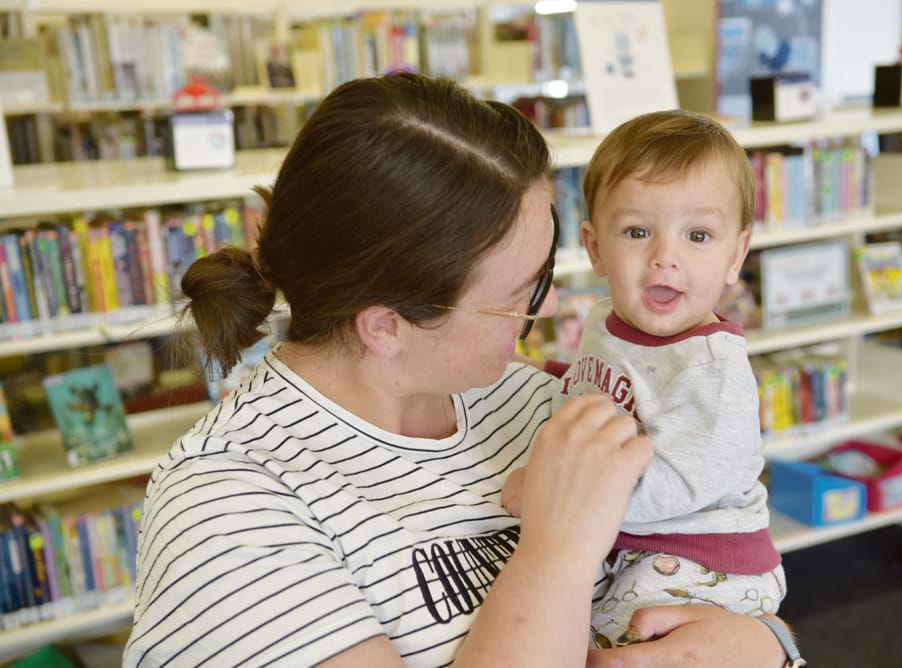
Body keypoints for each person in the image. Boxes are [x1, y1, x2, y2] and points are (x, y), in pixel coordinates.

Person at [124, 74, 790, 667]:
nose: (548, 307)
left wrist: (770, 645)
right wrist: (555, 551)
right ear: (385, 325)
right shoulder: (229, 513)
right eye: (522, 294)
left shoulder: (532, 399)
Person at [501, 109, 785, 648]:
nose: (665, 258)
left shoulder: (712, 371)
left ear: (736, 255)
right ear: (595, 248)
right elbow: (599, 388)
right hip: (634, 541)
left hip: (701, 561)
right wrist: (538, 371)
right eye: (637, 232)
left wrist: (550, 494)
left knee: (615, 643)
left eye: (698, 235)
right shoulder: (606, 321)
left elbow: (681, 481)